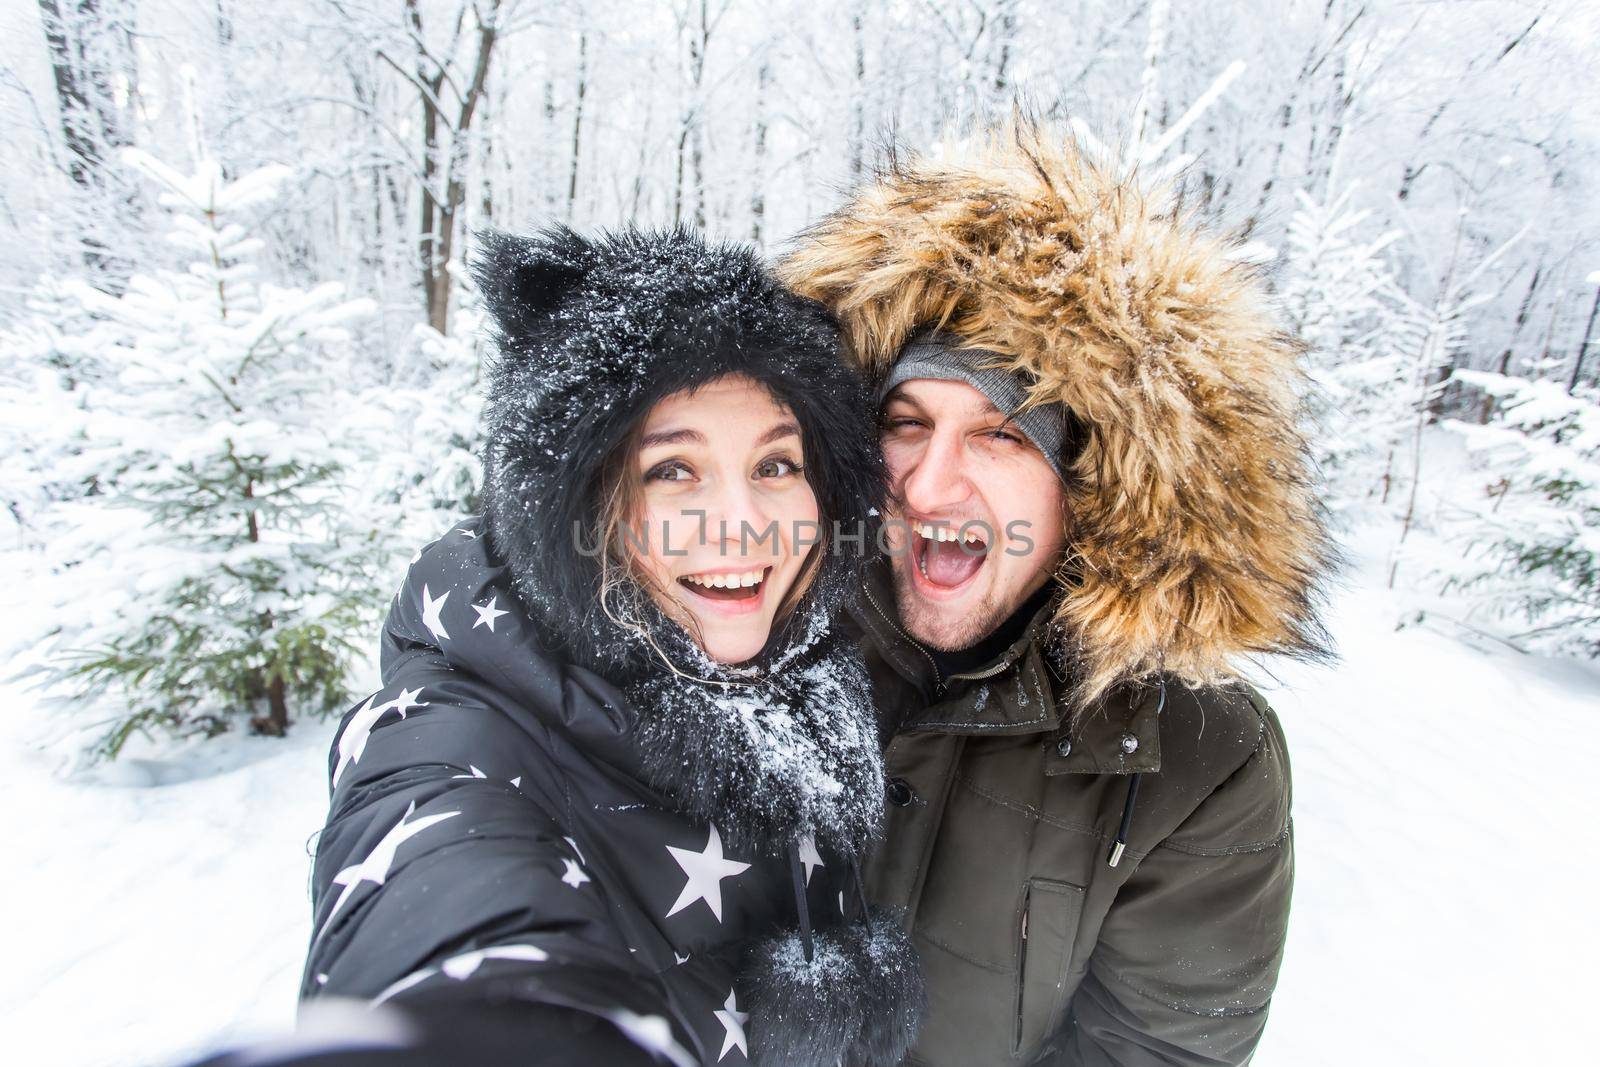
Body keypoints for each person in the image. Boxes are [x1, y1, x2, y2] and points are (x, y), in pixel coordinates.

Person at [194, 226, 924, 1067]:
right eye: (671, 471)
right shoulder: (459, 723)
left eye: (776, 464)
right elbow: (446, 889)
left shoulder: (813, 674)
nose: (745, 523)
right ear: (577, 507)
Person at [780, 128, 1338, 1066]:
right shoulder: (770, 624)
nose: (924, 486)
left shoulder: (1198, 763)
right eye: (904, 424)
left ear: (1092, 487)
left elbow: (1159, 1052)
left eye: (999, 435)